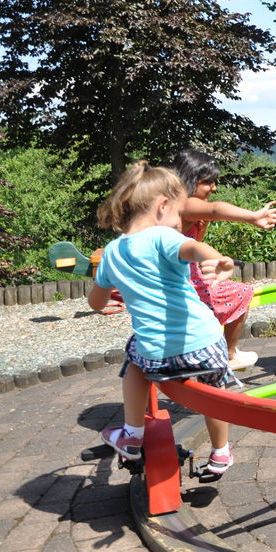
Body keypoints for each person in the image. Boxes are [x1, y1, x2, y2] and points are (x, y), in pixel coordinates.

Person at [89, 161, 239, 474]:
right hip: (207, 348)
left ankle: (131, 434)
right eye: (179, 211)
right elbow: (194, 248)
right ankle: (221, 452)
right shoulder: (161, 236)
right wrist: (220, 261)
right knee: (214, 390)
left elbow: (95, 303)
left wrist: (117, 290)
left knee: (134, 357)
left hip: (156, 358)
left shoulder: (111, 253)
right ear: (162, 206)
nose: (181, 218)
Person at [170, 149, 276, 372]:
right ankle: (228, 354)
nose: (213, 188)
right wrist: (252, 217)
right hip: (184, 282)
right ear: (189, 179)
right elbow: (216, 209)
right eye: (208, 182)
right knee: (240, 292)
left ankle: (219, 351)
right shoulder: (184, 203)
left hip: (189, 274)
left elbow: (195, 241)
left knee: (233, 292)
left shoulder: (187, 209)